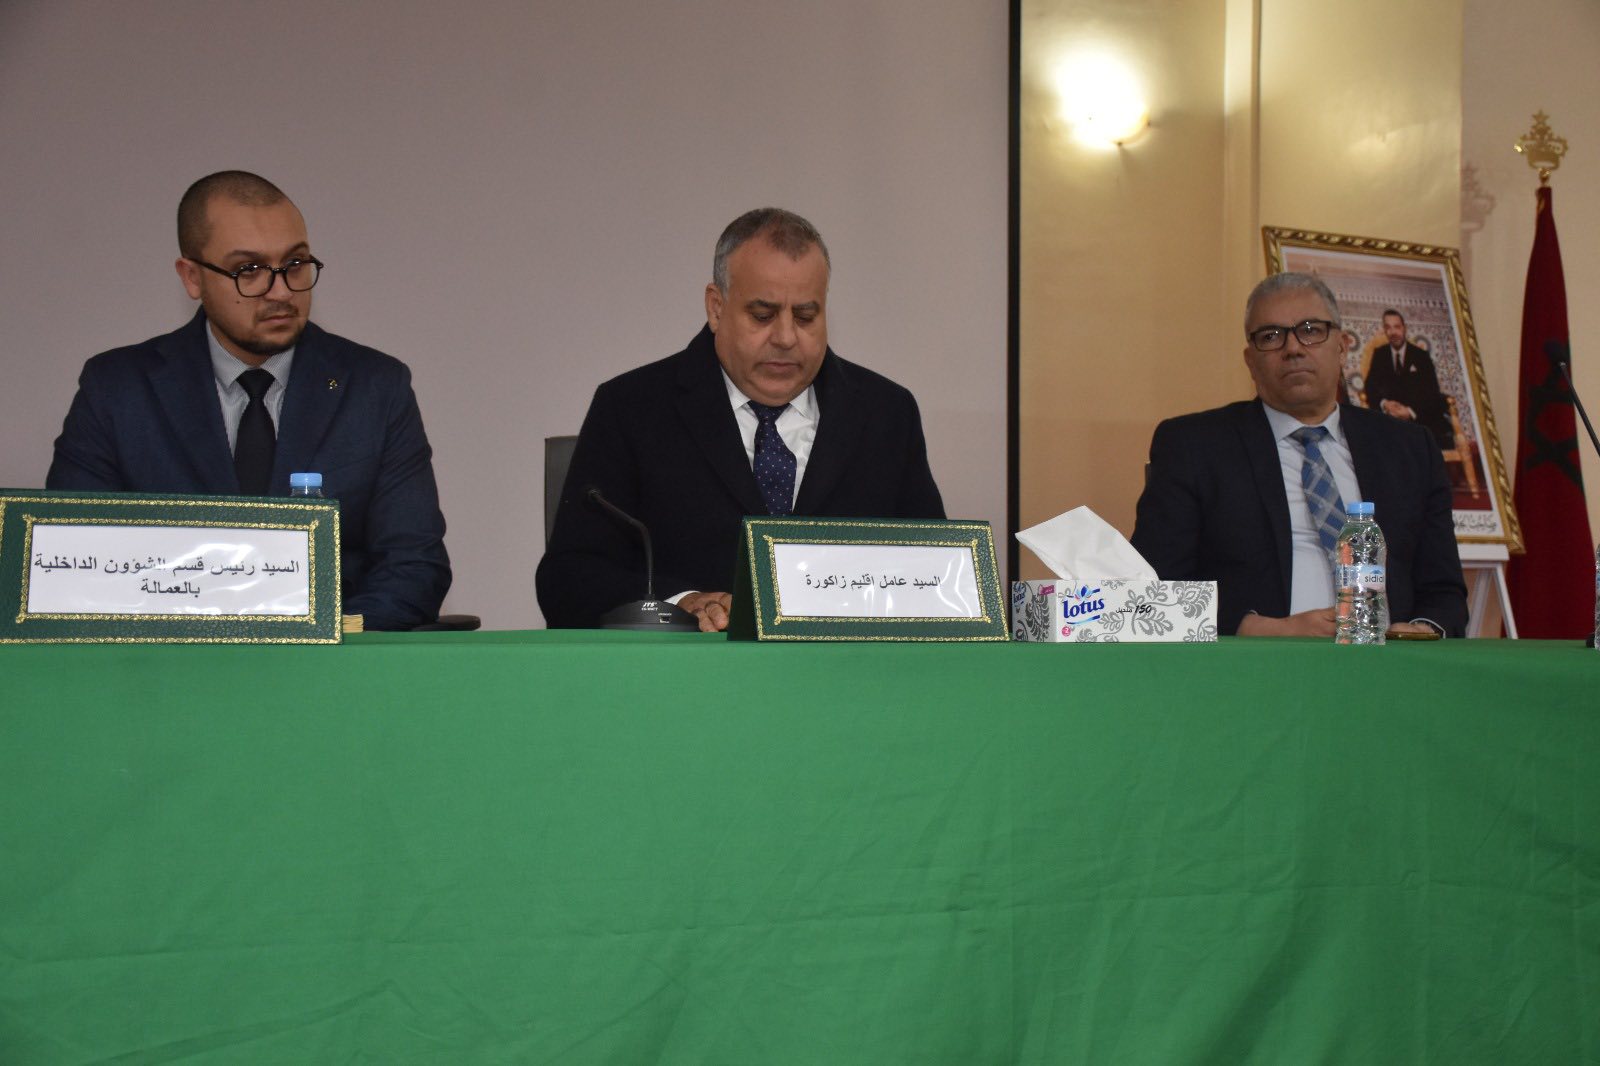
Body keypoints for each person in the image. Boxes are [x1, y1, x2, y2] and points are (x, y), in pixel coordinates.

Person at [47, 171, 450, 631]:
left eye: (295, 264)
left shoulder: (374, 387)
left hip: (329, 662)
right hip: (165, 662)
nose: (282, 291)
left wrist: (319, 641)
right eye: (249, 271)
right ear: (193, 277)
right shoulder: (118, 390)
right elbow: (71, 562)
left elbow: (414, 566)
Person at [537, 207, 945, 631]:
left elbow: (940, 576)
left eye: (806, 316)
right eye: (763, 315)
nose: (786, 337)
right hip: (689, 670)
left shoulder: (886, 414)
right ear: (717, 308)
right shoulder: (632, 408)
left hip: (845, 669)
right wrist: (679, 603)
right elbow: (567, 580)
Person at [1130, 273, 1467, 637]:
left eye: (1310, 330)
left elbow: (1444, 591)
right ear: (1250, 361)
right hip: (1256, 662)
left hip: (1386, 659)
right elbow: (1151, 590)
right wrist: (1256, 628)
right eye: (1270, 336)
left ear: (1342, 347)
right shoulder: (1195, 447)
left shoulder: (1409, 449)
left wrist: (1422, 630)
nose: (1292, 348)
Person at [1363, 308, 1453, 448]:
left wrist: (1410, 412)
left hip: (1419, 418)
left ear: (1404, 328)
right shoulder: (1379, 355)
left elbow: (1432, 391)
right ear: (1385, 330)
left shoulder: (1421, 356)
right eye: (1388, 327)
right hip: (1389, 420)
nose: (1393, 332)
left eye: (1397, 327)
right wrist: (1385, 404)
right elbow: (1370, 387)